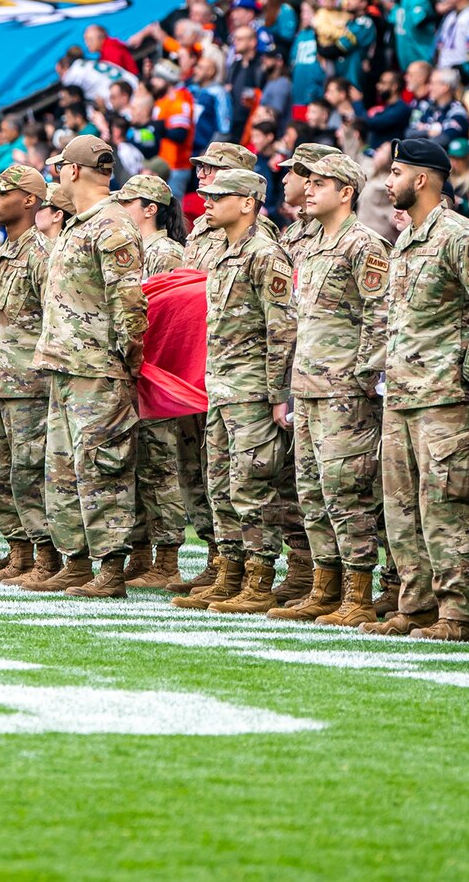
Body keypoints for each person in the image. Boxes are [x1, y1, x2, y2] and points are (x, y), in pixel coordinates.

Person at [375, 138, 469, 642]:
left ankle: (457, 614)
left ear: (423, 178)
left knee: (444, 506)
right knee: (402, 507)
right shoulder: (409, 239)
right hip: (404, 395)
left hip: (444, 398)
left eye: (395, 173)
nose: (388, 183)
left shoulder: (461, 235)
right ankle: (418, 606)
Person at [28, 134, 148, 599]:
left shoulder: (112, 224)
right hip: (65, 365)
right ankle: (76, 560)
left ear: (74, 170)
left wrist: (126, 360)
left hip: (98, 369)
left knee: (102, 468)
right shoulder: (81, 224)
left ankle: (111, 568)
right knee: (61, 469)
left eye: (60, 167)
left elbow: (129, 302)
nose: (57, 174)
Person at [275, 151, 390, 626]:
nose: (309, 189)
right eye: (310, 182)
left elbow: (380, 318)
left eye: (321, 183)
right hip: (309, 389)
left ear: (346, 192)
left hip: (344, 392)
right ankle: (326, 587)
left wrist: (361, 379)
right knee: (313, 492)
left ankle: (358, 593)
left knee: (348, 493)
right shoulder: (316, 245)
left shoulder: (363, 244)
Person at [178, 165, 295, 614]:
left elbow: (282, 329)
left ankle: (260, 578)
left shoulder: (264, 254)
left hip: (252, 391)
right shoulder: (228, 254)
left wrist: (277, 394)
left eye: (218, 194)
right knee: (222, 485)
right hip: (223, 387)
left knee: (252, 485)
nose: (207, 201)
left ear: (248, 202)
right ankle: (231, 572)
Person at [0, 163, 54, 585]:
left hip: (31, 386)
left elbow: (55, 319)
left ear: (29, 200)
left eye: (2, 192)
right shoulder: (4, 252)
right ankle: (19, 552)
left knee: (29, 473)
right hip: (1, 382)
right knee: (1, 473)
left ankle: (46, 556)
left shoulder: (42, 254)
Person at [115, 171, 189, 587]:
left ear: (150, 209)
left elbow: (165, 317)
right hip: (136, 371)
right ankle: (141, 554)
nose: (120, 210)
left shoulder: (165, 253)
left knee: (160, 465)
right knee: (138, 463)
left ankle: (167, 559)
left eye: (128, 203)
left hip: (156, 369)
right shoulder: (137, 248)